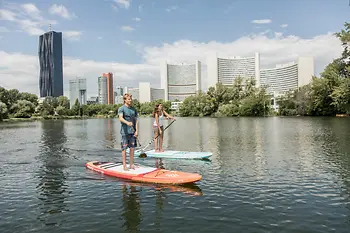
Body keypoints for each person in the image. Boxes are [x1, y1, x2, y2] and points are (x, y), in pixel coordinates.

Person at [118, 93, 138, 170]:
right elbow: (120, 118)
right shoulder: (121, 109)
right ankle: (124, 165)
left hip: (133, 132)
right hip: (124, 132)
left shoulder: (134, 109)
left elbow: (136, 121)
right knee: (124, 148)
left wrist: (137, 131)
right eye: (129, 99)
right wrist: (127, 122)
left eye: (131, 99)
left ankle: (131, 164)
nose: (130, 100)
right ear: (125, 100)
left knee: (132, 148)